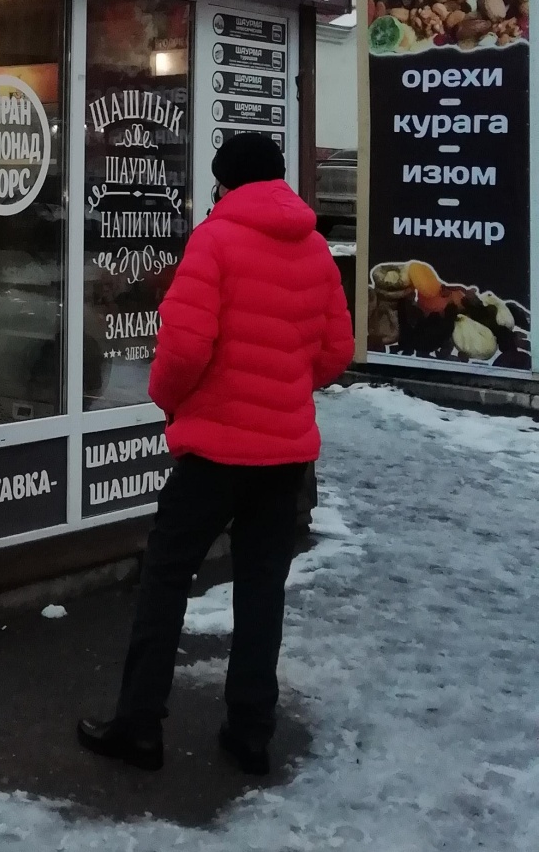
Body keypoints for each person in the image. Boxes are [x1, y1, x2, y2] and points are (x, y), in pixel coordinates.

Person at [77, 133, 353, 775]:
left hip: (213, 454)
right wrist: (283, 386)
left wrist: (169, 402)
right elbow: (337, 350)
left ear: (226, 182)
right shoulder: (314, 248)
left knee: (166, 577)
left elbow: (182, 351)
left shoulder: (215, 241)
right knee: (262, 588)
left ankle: (139, 726)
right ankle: (251, 732)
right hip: (284, 457)